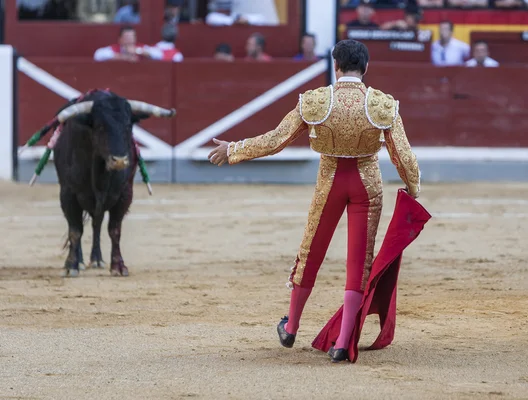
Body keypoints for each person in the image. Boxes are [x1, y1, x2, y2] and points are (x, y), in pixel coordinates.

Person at [208, 39, 421, 363]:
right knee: (358, 262)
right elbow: (402, 155)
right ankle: (342, 342)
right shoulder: (382, 104)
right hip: (367, 185)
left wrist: (234, 149)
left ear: (335, 65)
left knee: (311, 251)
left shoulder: (316, 101)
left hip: (330, 182)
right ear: (365, 68)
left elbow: (276, 140)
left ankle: (291, 326)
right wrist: (413, 187)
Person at [93, 26, 163, 62]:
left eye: (132, 37)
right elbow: (98, 54)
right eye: (127, 37)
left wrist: (138, 51)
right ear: (120, 39)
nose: (129, 40)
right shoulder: (115, 48)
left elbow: (159, 55)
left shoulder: (140, 48)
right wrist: (123, 57)